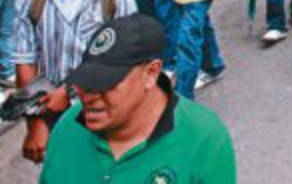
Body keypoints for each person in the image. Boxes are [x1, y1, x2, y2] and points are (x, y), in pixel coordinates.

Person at [43, 16, 237, 182]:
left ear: (151, 73)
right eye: (86, 81)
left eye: (105, 83)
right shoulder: (67, 127)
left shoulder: (205, 139)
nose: (88, 96)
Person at [12, 0, 136, 163]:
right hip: (55, 115)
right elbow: (25, 60)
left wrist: (70, 93)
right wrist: (35, 122)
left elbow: (123, 60)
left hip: (107, 109)